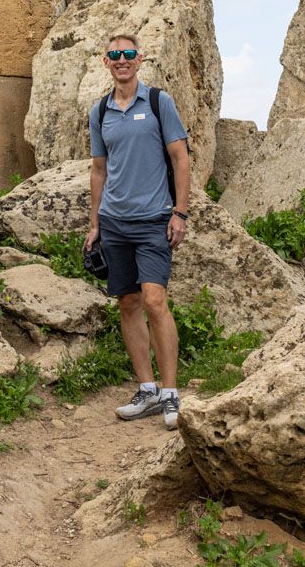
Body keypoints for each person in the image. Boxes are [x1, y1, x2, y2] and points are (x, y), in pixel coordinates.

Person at [84, 33, 190, 429]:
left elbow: (180, 159)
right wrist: (95, 223)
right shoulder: (100, 111)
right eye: (115, 55)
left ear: (140, 59)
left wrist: (180, 213)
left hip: (153, 220)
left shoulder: (160, 103)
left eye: (128, 54)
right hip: (114, 222)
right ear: (106, 62)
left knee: (154, 300)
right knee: (127, 303)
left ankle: (170, 392)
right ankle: (146, 390)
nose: (122, 60)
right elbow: (99, 169)